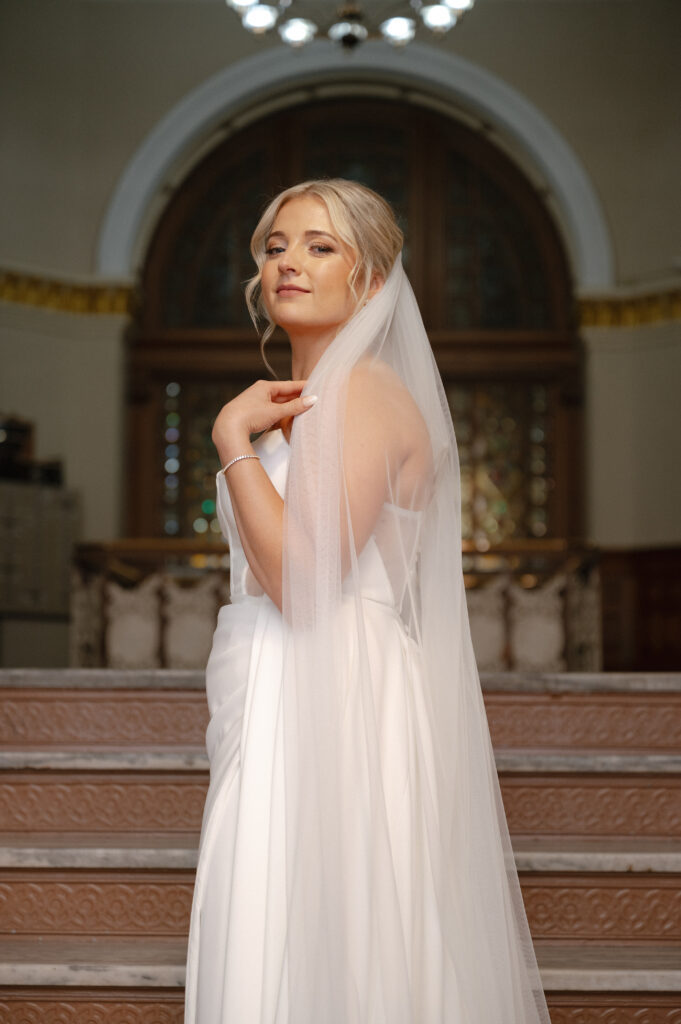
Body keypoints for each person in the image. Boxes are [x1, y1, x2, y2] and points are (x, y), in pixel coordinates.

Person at [184, 179, 550, 1024]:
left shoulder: (355, 395)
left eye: (320, 247)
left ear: (373, 280)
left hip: (327, 686)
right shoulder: (318, 402)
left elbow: (301, 586)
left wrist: (230, 440)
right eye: (276, 245)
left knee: (320, 927)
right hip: (298, 683)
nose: (287, 263)